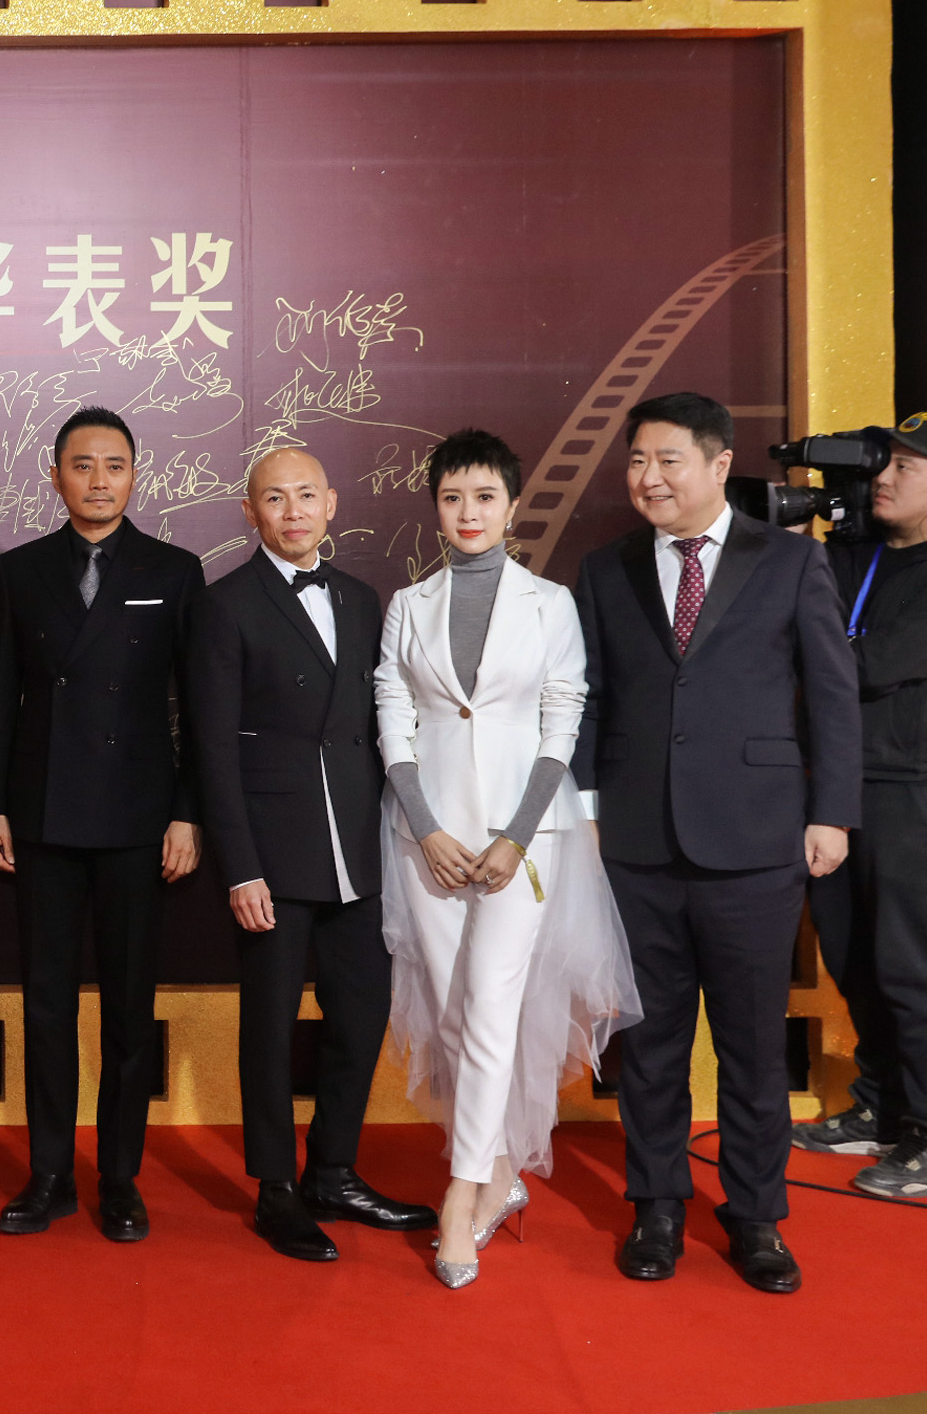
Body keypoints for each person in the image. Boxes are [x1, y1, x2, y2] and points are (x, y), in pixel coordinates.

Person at [574, 392, 859, 1293]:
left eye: (667, 460)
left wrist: (832, 812)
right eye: (636, 461)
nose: (648, 478)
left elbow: (832, 692)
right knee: (650, 1044)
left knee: (752, 1047)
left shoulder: (791, 561)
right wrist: (586, 810)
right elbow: (589, 697)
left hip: (757, 840)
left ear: (718, 463)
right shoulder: (605, 569)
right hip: (636, 844)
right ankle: (656, 1207)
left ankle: (756, 1217)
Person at [374, 429, 640, 1287]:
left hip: (522, 844)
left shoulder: (549, 604)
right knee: (454, 1014)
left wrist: (515, 833)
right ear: (435, 509)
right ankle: (495, 1176)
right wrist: (427, 828)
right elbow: (393, 721)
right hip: (428, 841)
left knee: (491, 1005)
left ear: (511, 505)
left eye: (484, 497)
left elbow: (564, 721)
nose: (469, 513)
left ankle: (460, 1197)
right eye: (452, 498)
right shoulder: (408, 606)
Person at [187, 446, 437, 1261]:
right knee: (268, 1024)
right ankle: (276, 1189)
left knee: (360, 1014)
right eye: (274, 498)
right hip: (272, 849)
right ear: (250, 511)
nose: (291, 511)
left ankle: (333, 1170)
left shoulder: (364, 599)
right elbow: (211, 747)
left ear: (331, 503)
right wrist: (241, 866)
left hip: (358, 847)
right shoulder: (223, 604)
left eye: (305, 496)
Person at [0, 407, 204, 1241]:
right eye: (82, 465)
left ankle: (119, 1177)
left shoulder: (174, 571)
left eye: (114, 465)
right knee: (47, 1004)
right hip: (42, 813)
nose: (98, 480)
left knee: (129, 1006)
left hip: (139, 817)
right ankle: (47, 1175)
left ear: (135, 475)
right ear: (55, 476)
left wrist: (188, 813)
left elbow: (200, 708)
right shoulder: (22, 569)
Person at [806, 414, 927, 1199]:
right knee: (853, 961)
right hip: (838, 785)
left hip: (910, 789)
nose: (884, 477)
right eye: (882, 463)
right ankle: (883, 1109)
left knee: (909, 967)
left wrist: (823, 655)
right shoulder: (856, 555)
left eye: (906, 468)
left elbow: (869, 664)